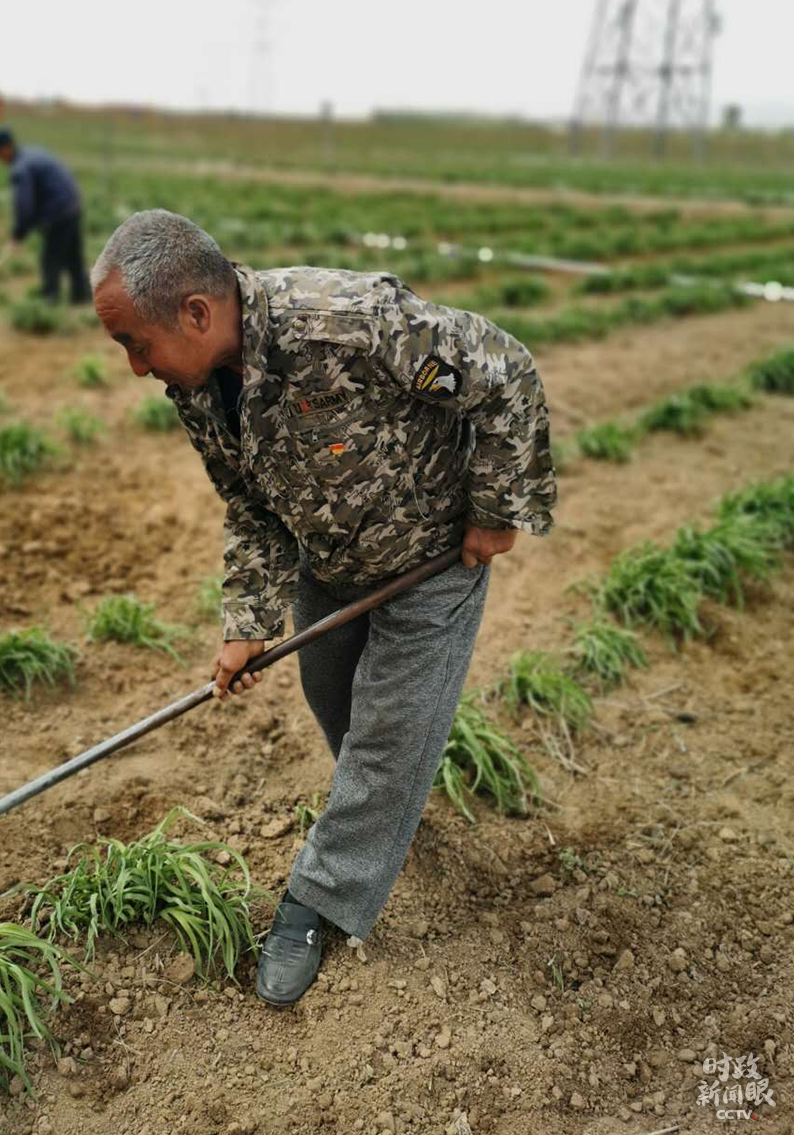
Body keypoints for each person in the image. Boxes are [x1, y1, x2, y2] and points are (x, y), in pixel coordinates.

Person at [91, 209, 557, 1008]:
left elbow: (503, 372)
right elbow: (249, 505)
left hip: (430, 559)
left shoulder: (348, 324)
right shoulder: (199, 386)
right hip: (331, 562)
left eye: (137, 343)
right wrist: (246, 623)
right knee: (333, 701)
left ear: (197, 314)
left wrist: (497, 505)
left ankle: (318, 898)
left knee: (382, 738)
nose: (137, 366)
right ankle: (386, 803)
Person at [0, 128, 90, 303]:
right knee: (73, 257)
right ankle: (81, 296)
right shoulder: (31, 155)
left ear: (5, 148)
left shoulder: (20, 168)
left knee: (51, 259)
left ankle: (50, 299)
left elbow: (24, 206)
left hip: (58, 212)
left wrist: (19, 233)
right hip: (72, 206)